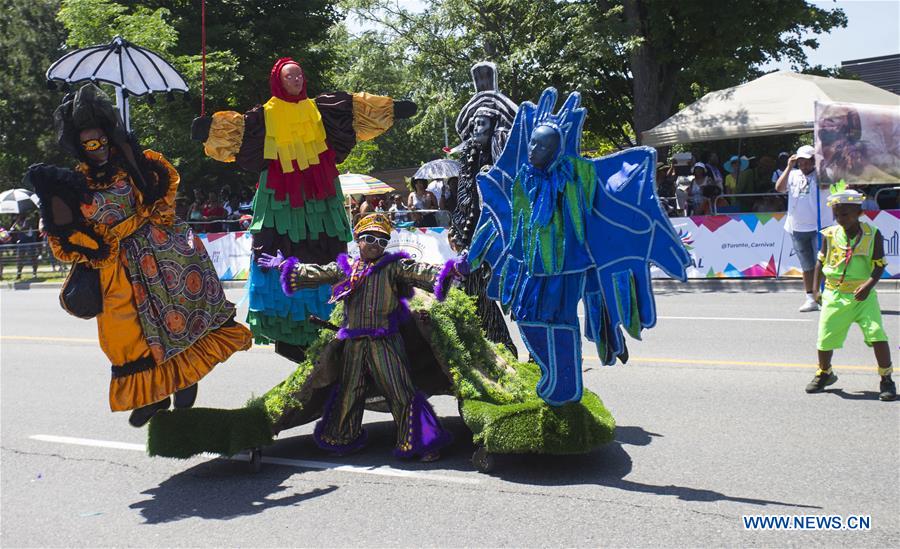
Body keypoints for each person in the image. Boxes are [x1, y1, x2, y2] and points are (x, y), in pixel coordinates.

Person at [25, 84, 252, 426]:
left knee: (176, 319)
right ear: (79, 147)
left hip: (155, 251)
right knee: (124, 336)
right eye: (89, 144)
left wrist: (133, 159)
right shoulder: (72, 184)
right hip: (114, 269)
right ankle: (154, 396)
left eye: (101, 140)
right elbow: (68, 237)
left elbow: (159, 195)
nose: (97, 148)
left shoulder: (131, 166)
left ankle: (186, 377)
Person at [193, 56, 416, 361]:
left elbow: (353, 110)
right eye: (290, 77)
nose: (297, 80)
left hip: (321, 197)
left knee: (325, 250)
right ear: (278, 81)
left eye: (299, 76)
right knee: (280, 249)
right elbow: (239, 133)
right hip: (280, 201)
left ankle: (333, 322)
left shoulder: (321, 108)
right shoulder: (264, 115)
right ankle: (290, 334)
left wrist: (393, 109)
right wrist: (209, 129)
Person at [258, 213, 462, 460]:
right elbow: (317, 273)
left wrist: (453, 269)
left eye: (382, 241)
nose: (376, 245)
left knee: (400, 391)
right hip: (353, 343)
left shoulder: (393, 266)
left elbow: (420, 271)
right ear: (357, 238)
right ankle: (342, 437)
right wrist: (283, 266)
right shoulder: (346, 268)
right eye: (369, 238)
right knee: (349, 392)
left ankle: (422, 442)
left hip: (385, 342)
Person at [805, 189, 894, 401]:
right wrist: (816, 290)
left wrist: (868, 285)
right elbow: (820, 262)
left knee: (877, 335)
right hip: (835, 295)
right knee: (825, 338)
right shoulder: (829, 234)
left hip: (863, 295)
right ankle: (825, 373)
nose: (840, 219)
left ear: (859, 213)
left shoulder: (873, 235)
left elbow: (879, 266)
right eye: (837, 215)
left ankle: (886, 378)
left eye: (845, 214)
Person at [775, 145, 833, 312]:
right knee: (807, 265)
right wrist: (788, 166)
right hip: (797, 227)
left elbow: (825, 186)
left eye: (808, 162)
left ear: (814, 161)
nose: (804, 165)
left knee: (822, 264)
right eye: (801, 162)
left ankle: (825, 296)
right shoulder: (792, 174)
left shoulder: (822, 175)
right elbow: (779, 188)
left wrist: (821, 163)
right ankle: (810, 298)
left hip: (819, 227)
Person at [11, 212, 39, 279]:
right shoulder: (17, 222)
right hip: (21, 242)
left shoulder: (27, 220)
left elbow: (24, 229)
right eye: (16, 215)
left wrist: (16, 225)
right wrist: (14, 225)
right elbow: (12, 230)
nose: (17, 216)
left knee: (33, 258)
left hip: (30, 241)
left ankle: (34, 273)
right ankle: (19, 273)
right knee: (19, 258)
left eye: (18, 215)